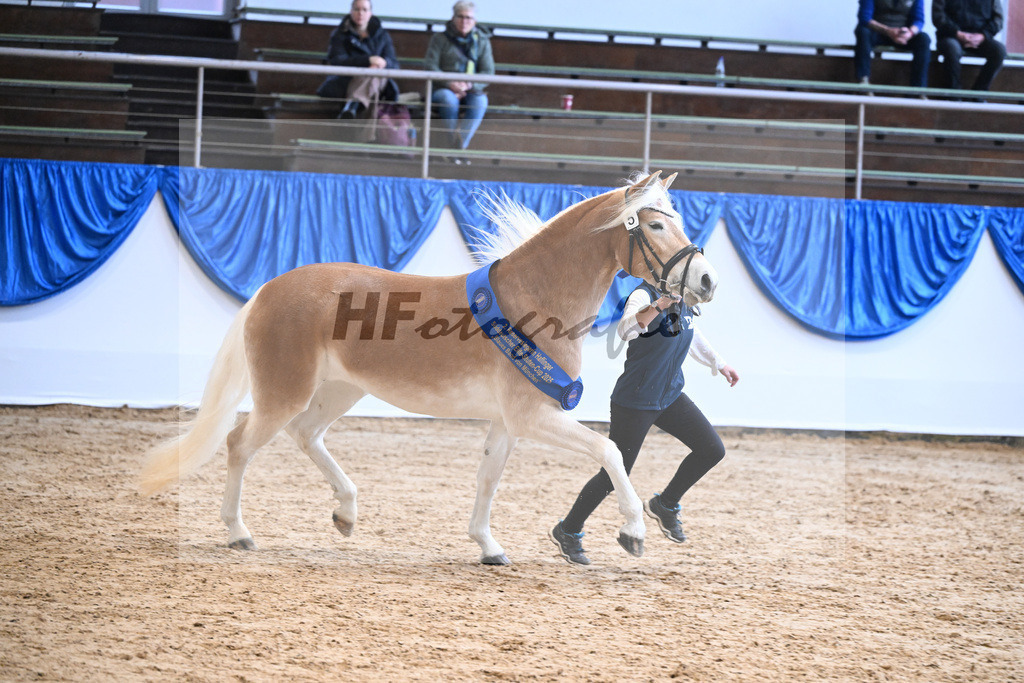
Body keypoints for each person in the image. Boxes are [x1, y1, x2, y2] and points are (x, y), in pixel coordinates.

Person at [549, 282, 739, 565]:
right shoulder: (643, 295)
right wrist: (658, 305)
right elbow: (626, 330)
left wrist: (719, 363)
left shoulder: (683, 297)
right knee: (613, 476)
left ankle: (665, 504)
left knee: (712, 449)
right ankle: (568, 530)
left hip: (669, 396)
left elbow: (690, 331)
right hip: (635, 401)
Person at [423, 1, 494, 150]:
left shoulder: (481, 41)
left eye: (468, 17)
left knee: (481, 102)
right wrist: (450, 83)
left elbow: (488, 71)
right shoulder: (439, 39)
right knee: (448, 100)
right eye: (460, 17)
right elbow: (430, 66)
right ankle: (453, 145)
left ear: (474, 21)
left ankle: (459, 145)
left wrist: (469, 85)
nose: (464, 21)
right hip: (443, 87)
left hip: (471, 88)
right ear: (453, 18)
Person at [316, 0, 400, 118]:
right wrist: (368, 61)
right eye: (357, 9)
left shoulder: (383, 36)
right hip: (347, 80)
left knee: (375, 76)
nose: (360, 13)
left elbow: (394, 64)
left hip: (382, 83)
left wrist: (382, 63)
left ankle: (352, 106)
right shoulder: (340, 34)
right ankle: (365, 131)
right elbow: (338, 60)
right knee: (373, 83)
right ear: (351, 11)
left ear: (370, 13)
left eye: (364, 9)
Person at [933, 0, 1006, 93]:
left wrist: (983, 35)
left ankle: (979, 93)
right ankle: (953, 93)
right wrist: (957, 33)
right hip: (950, 35)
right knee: (952, 49)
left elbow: (998, 19)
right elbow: (938, 15)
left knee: (999, 51)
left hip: (981, 37)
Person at [854, 0, 931, 88]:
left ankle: (918, 88)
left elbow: (919, 20)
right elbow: (865, 18)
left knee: (924, 39)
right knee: (862, 32)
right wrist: (888, 31)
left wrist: (910, 33)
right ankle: (863, 81)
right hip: (878, 32)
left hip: (903, 34)